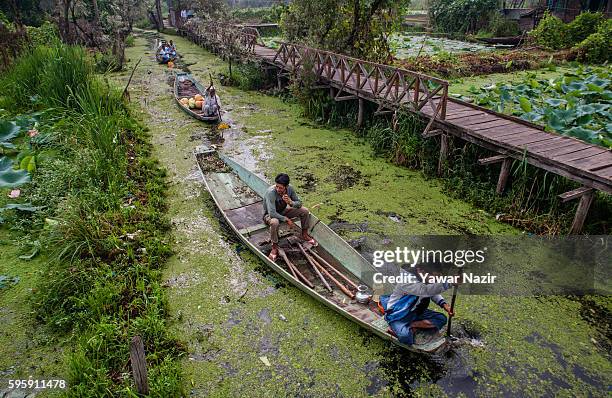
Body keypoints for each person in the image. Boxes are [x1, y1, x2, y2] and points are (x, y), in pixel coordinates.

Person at [379, 262, 454, 345]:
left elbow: (432, 292)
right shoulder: (407, 280)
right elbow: (426, 290)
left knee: (441, 319)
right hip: (399, 313)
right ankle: (396, 327)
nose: (435, 280)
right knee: (405, 337)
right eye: (433, 276)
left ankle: (411, 325)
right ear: (420, 270)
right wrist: (450, 283)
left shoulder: (426, 279)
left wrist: (444, 305)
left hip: (416, 311)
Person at [264, 173, 316, 261]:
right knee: (275, 222)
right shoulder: (271, 193)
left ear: (286, 186)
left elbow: (299, 203)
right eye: (276, 186)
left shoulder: (290, 189)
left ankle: (304, 234)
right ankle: (274, 246)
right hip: (269, 215)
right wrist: (286, 219)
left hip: (283, 211)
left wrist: (291, 202)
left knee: (305, 211)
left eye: (280, 187)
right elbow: (272, 213)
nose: (278, 189)